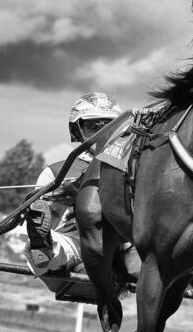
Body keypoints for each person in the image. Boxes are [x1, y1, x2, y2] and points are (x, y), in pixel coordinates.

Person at [24, 92, 123, 276]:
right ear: (78, 130)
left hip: (123, 242)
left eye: (109, 126)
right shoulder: (56, 173)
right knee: (40, 247)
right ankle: (44, 247)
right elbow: (50, 223)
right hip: (77, 243)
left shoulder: (131, 167)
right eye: (93, 126)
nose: (102, 134)